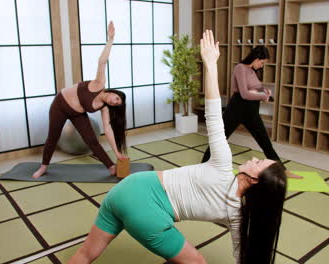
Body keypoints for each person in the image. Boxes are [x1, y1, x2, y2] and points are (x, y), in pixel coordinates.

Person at [68, 30, 287, 264]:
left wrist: (212, 65)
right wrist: (210, 65)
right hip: (145, 202)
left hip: (127, 188)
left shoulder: (234, 203)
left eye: (259, 163)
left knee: (85, 254)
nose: (254, 159)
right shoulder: (230, 189)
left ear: (255, 181)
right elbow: (214, 115)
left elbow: (242, 252)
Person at [32, 21, 128, 179]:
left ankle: (111, 167)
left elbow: (108, 129)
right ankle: (43, 166)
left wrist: (117, 153)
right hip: (60, 105)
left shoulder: (104, 107)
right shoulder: (99, 84)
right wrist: (110, 40)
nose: (114, 101)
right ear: (112, 92)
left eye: (116, 104)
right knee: (53, 136)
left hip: (77, 114)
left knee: (92, 140)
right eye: (116, 98)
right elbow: (102, 62)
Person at [201, 45, 301, 179]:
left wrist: (265, 91)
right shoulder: (240, 68)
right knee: (219, 139)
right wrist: (262, 95)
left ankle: (282, 170)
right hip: (237, 109)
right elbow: (244, 93)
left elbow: (257, 88)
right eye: (262, 62)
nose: (262, 66)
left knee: (265, 141)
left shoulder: (253, 71)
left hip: (251, 111)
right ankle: (202, 166)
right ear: (256, 58)